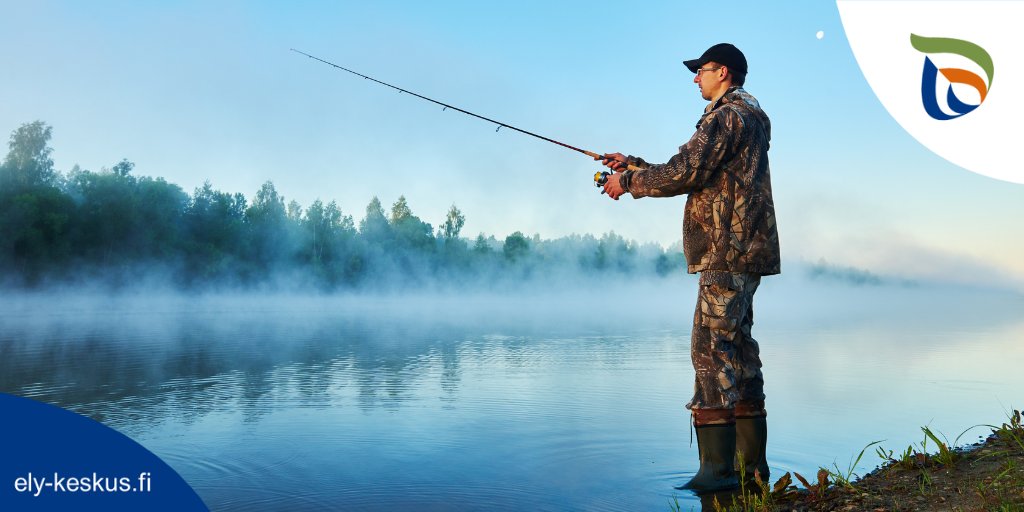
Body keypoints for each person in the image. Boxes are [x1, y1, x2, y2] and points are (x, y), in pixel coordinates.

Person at [598, 43, 780, 493]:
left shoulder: (726, 117)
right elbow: (702, 171)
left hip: (726, 249)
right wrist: (635, 165)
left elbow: (687, 170)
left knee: (710, 348)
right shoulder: (750, 117)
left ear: (724, 72)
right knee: (737, 348)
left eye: (701, 70)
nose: (695, 78)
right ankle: (750, 469)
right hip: (746, 250)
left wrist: (629, 182)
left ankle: (717, 472)